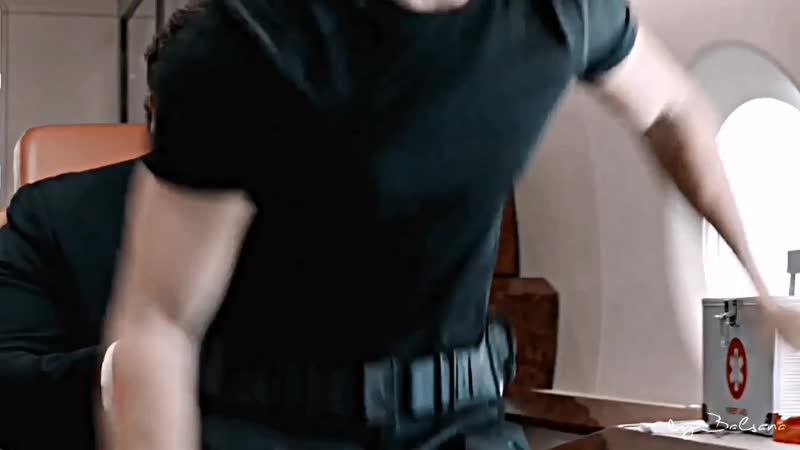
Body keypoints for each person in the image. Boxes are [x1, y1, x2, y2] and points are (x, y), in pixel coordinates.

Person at [103, 0, 800, 449]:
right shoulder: (247, 45)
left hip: (463, 422)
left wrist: (762, 287)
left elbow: (675, 111)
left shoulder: (558, 12)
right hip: (277, 424)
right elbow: (158, 327)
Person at [0, 8, 204, 448]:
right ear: (156, 116)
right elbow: (8, 384)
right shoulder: (51, 216)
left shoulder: (343, 218)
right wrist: (131, 368)